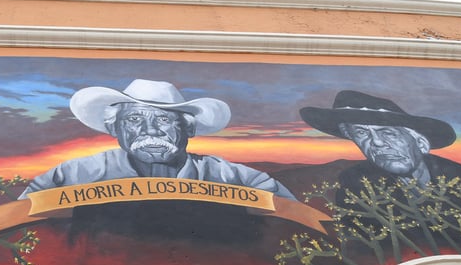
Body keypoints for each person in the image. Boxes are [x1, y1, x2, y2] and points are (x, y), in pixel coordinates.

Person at [299, 90, 461, 257]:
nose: (376, 144)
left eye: (388, 133)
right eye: (362, 134)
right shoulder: (356, 184)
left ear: (420, 143)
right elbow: (362, 252)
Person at [20, 79, 295, 200]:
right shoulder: (75, 174)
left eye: (164, 120)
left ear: (188, 129)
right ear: (114, 129)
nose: (150, 131)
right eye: (134, 120)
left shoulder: (230, 176)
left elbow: (288, 213)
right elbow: (23, 213)